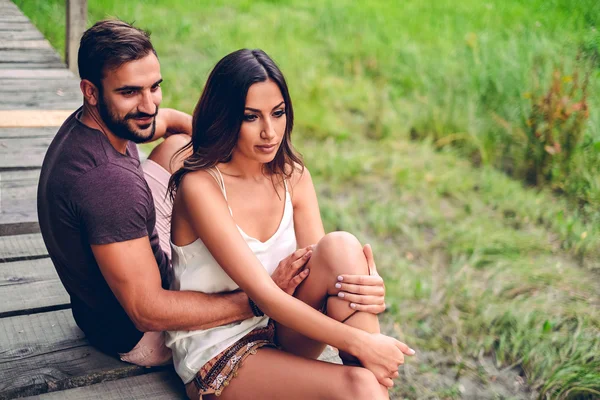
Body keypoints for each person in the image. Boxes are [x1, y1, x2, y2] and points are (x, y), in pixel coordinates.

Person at [37, 19, 389, 371]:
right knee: (202, 200)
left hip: (122, 265)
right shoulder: (108, 185)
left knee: (177, 147)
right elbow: (146, 311)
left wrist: (226, 142)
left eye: (154, 87)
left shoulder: (104, 123)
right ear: (91, 91)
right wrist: (254, 300)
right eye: (130, 92)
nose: (148, 106)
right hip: (140, 332)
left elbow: (169, 122)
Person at [166, 49, 415, 400]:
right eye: (251, 117)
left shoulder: (293, 176)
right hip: (219, 349)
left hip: (278, 331)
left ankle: (370, 378)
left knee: (342, 247)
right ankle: (369, 380)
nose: (269, 132)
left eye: (278, 113)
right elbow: (264, 296)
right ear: (225, 118)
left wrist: (367, 287)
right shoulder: (200, 187)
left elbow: (321, 271)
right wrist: (364, 342)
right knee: (359, 386)